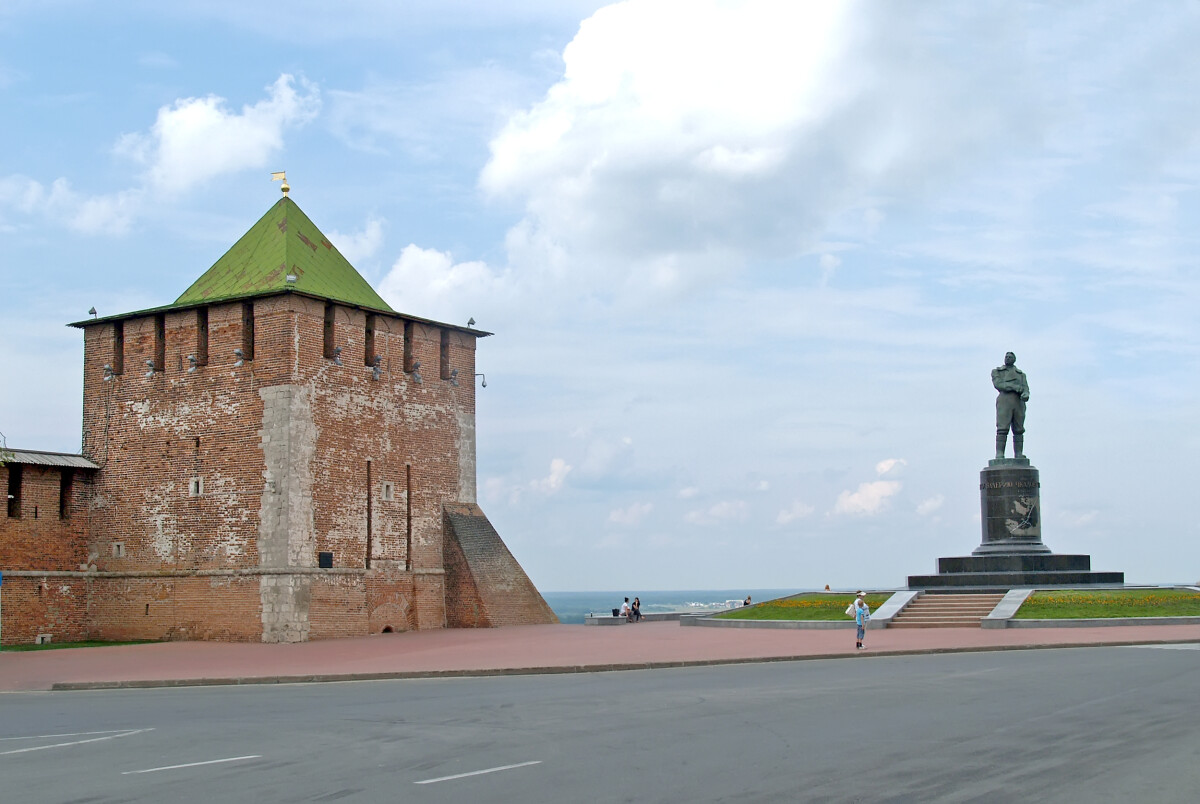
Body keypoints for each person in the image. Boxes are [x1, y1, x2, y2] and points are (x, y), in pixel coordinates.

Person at [992, 351, 1030, 460]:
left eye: (1010, 357)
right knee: (1002, 428)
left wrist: (1025, 394)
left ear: (1014, 359)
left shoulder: (1021, 375)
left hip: (1018, 403)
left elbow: (1026, 388)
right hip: (1005, 401)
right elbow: (999, 384)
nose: (1008, 358)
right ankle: (1000, 453)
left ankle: (1018, 454)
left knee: (1019, 429)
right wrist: (1014, 387)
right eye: (1006, 356)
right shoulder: (997, 372)